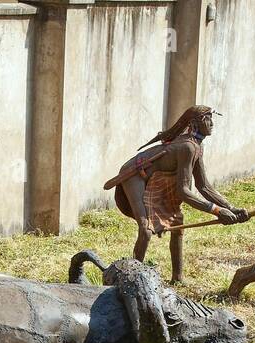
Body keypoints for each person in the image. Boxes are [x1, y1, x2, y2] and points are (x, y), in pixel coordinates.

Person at [104, 106, 246, 283]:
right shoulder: (187, 147)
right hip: (135, 176)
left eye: (211, 118)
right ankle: (131, 279)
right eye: (207, 119)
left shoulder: (195, 146)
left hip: (157, 178)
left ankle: (177, 278)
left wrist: (231, 208)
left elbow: (204, 186)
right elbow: (184, 192)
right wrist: (217, 211)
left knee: (178, 223)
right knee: (146, 229)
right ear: (194, 123)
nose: (212, 123)